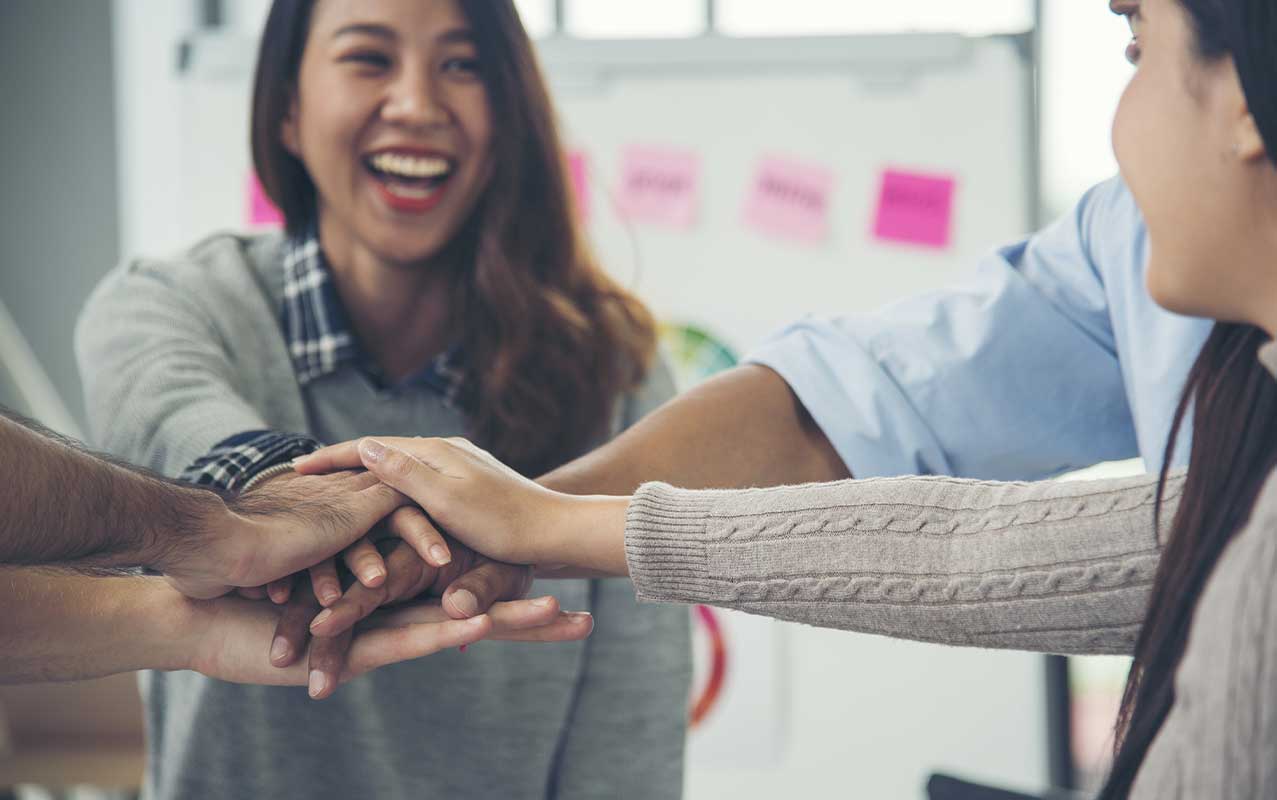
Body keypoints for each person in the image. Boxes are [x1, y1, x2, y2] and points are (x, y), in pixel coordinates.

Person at [300, 0, 1277, 794]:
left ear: (1242, 94)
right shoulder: (1133, 245)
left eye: (1132, 42)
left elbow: (1006, 553)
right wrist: (526, 519)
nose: (416, 105)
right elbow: (863, 408)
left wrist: (541, 520)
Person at [75, 0, 689, 798]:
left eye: (462, 65)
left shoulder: (611, 366)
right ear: (288, 110)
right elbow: (172, 424)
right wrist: (287, 498)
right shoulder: (172, 303)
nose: (417, 105)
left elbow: (629, 737)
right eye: (369, 57)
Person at [0, 408, 590, 686]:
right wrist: (216, 525)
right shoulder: (178, 287)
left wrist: (195, 602)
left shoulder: (611, 349)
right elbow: (174, 405)